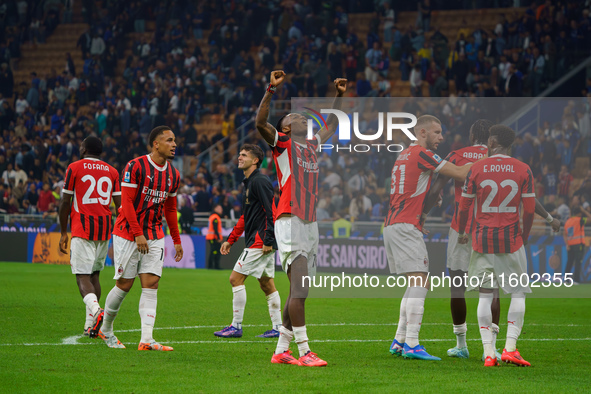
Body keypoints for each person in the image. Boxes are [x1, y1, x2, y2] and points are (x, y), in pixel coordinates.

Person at [423, 120, 561, 361]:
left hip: (467, 230)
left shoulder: (460, 157)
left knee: (459, 285)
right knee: (498, 289)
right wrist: (544, 221)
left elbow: (439, 191)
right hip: (506, 235)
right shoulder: (519, 167)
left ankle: (463, 344)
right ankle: (499, 347)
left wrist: (423, 215)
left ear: (479, 136)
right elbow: (528, 204)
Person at [255, 70, 347, 367]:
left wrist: (339, 96)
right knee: (301, 288)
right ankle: (305, 350)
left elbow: (331, 124)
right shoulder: (281, 144)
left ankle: (282, 350)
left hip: (309, 221)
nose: (302, 119)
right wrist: (270, 89)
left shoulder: (311, 145)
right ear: (284, 127)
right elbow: (260, 122)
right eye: (295, 118)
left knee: (301, 289)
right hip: (289, 218)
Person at [385, 115, 474, 361]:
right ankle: (412, 344)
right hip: (404, 225)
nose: (441, 137)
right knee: (421, 282)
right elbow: (459, 173)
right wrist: (488, 158)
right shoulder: (422, 153)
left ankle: (399, 340)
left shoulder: (403, 155)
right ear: (422, 133)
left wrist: (423, 207)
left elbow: (414, 186)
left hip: (394, 224)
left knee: (414, 283)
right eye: (437, 132)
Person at [457, 124, 536, 367]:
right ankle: (510, 347)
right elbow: (530, 209)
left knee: (484, 294)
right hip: (511, 240)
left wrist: (462, 231)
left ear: (492, 142)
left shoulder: (477, 168)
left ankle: (489, 353)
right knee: (518, 292)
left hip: (482, 240)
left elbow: (464, 206)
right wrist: (525, 234)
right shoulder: (524, 169)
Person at [99, 126, 183, 351]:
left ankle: (147, 339)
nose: (174, 144)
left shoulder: (173, 174)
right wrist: (138, 234)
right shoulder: (135, 166)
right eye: (169, 140)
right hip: (128, 232)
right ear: (156, 144)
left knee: (151, 283)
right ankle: (105, 329)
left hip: (155, 233)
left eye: (174, 141)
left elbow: (171, 209)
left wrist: (176, 239)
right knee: (125, 283)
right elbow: (126, 203)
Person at [215, 144, 282, 338]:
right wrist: (231, 239)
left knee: (235, 279)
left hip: (260, 241)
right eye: (239, 154)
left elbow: (272, 211)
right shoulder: (249, 183)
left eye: (244, 155)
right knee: (267, 284)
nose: (239, 157)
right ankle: (278, 328)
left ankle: (236, 326)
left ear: (255, 160)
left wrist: (268, 239)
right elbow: (246, 217)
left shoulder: (260, 181)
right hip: (260, 239)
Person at [58, 136, 121, 337]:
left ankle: (96, 311)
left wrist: (63, 232)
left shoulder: (74, 167)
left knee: (82, 276)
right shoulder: (112, 171)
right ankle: (89, 325)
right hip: (104, 229)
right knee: (95, 275)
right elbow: (120, 206)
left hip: (82, 227)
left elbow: (65, 201)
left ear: (84, 148)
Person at [564, 207, 589, 284]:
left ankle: (566, 280)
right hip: (578, 244)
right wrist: (584, 210)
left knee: (569, 262)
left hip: (570, 245)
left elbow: (564, 234)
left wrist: (567, 244)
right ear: (579, 213)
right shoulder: (580, 220)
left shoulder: (568, 221)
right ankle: (576, 280)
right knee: (578, 262)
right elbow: (590, 218)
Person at [206, 204, 223, 269]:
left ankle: (213, 266)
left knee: (214, 251)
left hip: (212, 237)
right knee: (214, 252)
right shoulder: (215, 217)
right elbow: (215, 228)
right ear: (215, 209)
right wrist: (218, 237)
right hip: (213, 237)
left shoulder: (213, 216)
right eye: (220, 208)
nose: (221, 210)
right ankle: (213, 266)